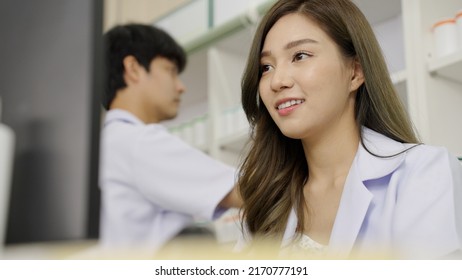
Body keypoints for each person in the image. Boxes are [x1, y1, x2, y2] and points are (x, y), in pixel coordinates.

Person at [236, 0, 462, 259]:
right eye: (266, 67)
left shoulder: (422, 173)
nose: (277, 81)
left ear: (355, 72)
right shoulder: (266, 197)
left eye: (300, 56)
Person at [99, 23, 241, 254]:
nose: (180, 86)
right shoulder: (138, 141)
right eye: (171, 70)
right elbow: (248, 192)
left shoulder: (107, 143)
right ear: (133, 68)